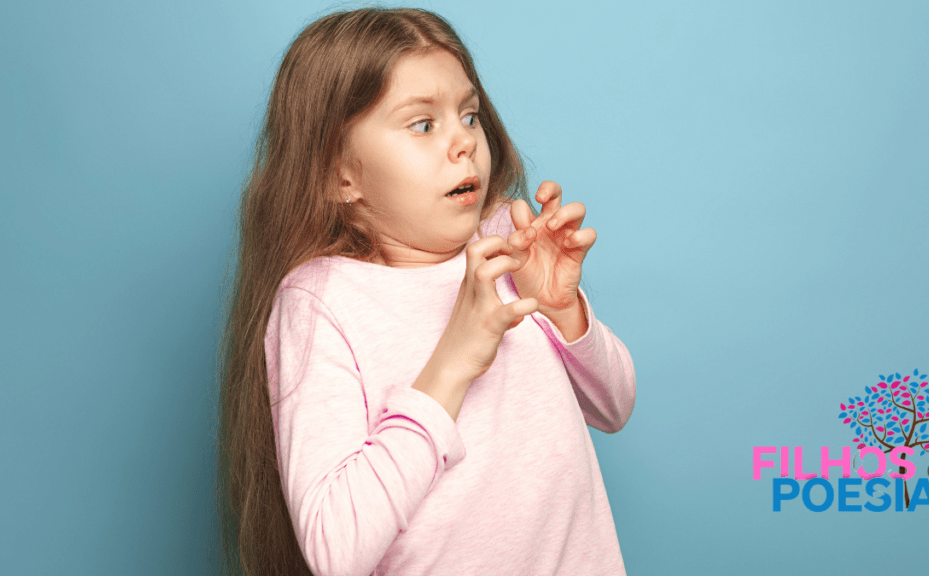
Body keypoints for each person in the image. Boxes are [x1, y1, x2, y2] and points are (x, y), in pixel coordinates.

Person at [216, 7, 636, 576]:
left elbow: (614, 408)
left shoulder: (504, 247)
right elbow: (335, 550)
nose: (463, 142)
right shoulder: (321, 302)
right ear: (341, 174)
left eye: (469, 115)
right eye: (423, 124)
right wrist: (454, 360)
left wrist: (563, 309)